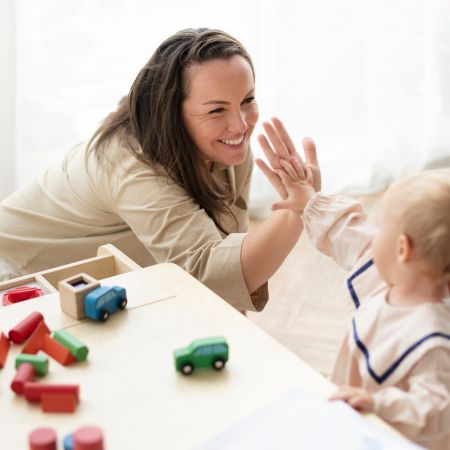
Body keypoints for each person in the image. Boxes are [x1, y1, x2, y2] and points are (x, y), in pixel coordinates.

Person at [0, 28, 321, 312]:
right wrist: (294, 213)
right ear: (171, 111)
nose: (240, 124)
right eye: (217, 109)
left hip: (92, 281)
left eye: (247, 99)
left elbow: (226, 257)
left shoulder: (224, 144)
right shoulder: (130, 164)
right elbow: (209, 275)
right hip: (17, 279)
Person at [257, 142, 450, 449]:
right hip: (349, 409)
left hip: (384, 434)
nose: (373, 232)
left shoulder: (432, 342)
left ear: (403, 249)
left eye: (382, 225)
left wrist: (378, 404)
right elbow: (350, 232)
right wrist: (308, 199)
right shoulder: (393, 275)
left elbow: (437, 412)